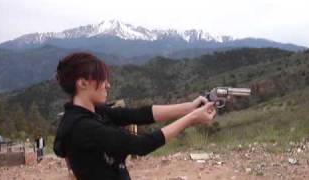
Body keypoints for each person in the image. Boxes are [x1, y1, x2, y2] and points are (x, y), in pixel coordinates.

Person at [53, 52, 216, 180]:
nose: (107, 85)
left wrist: (188, 107)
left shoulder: (94, 111)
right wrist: (191, 118)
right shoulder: (84, 127)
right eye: (102, 80)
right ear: (82, 83)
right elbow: (141, 145)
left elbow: (140, 114)